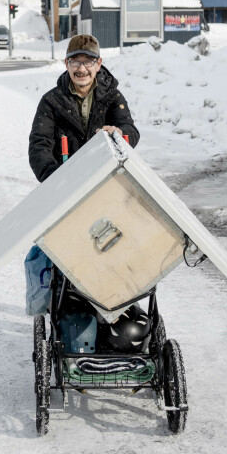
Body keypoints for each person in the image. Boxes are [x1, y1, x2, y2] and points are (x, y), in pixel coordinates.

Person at [24, 34, 140, 317]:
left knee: (112, 248)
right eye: (75, 61)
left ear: (98, 64)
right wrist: (59, 182)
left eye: (88, 61)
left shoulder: (113, 96)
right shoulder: (51, 101)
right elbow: (39, 147)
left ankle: (114, 302)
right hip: (67, 193)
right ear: (66, 64)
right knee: (72, 252)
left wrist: (119, 135)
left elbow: (131, 132)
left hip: (106, 189)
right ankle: (71, 304)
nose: (81, 69)